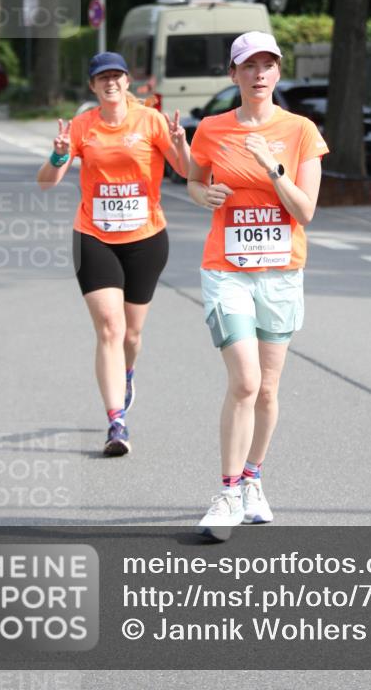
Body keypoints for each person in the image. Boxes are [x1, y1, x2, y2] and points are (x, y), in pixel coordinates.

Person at [187, 31, 328, 539]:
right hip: (226, 269)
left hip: (281, 272)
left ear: (278, 72)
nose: (260, 73)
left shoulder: (300, 131)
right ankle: (225, 494)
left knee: (268, 389)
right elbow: (194, 178)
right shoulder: (212, 128)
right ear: (234, 74)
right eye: (249, 65)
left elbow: (305, 211)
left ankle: (252, 479)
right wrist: (203, 194)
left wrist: (272, 167)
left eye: (268, 64)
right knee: (245, 382)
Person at [37, 52, 190, 457]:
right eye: (101, 77)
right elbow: (48, 181)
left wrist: (181, 146)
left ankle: (127, 372)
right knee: (109, 326)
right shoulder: (82, 126)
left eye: (116, 76)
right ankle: (116, 421)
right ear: (92, 86)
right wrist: (57, 154)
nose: (110, 83)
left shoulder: (151, 121)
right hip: (94, 236)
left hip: (145, 237)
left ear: (128, 83)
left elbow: (187, 172)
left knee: (132, 334)